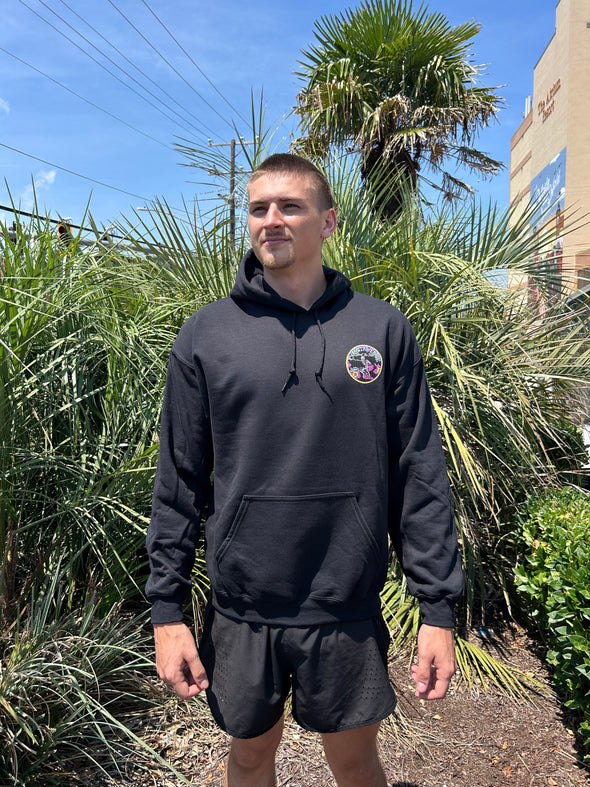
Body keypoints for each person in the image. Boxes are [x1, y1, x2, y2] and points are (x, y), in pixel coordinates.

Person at [146, 153, 463, 787]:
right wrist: (167, 611)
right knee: (249, 757)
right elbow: (178, 479)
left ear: (328, 221)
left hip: (344, 601)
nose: (272, 219)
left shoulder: (381, 328)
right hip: (244, 604)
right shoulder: (206, 335)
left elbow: (418, 472)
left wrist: (437, 608)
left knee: (354, 761)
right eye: (258, 208)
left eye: (290, 206)